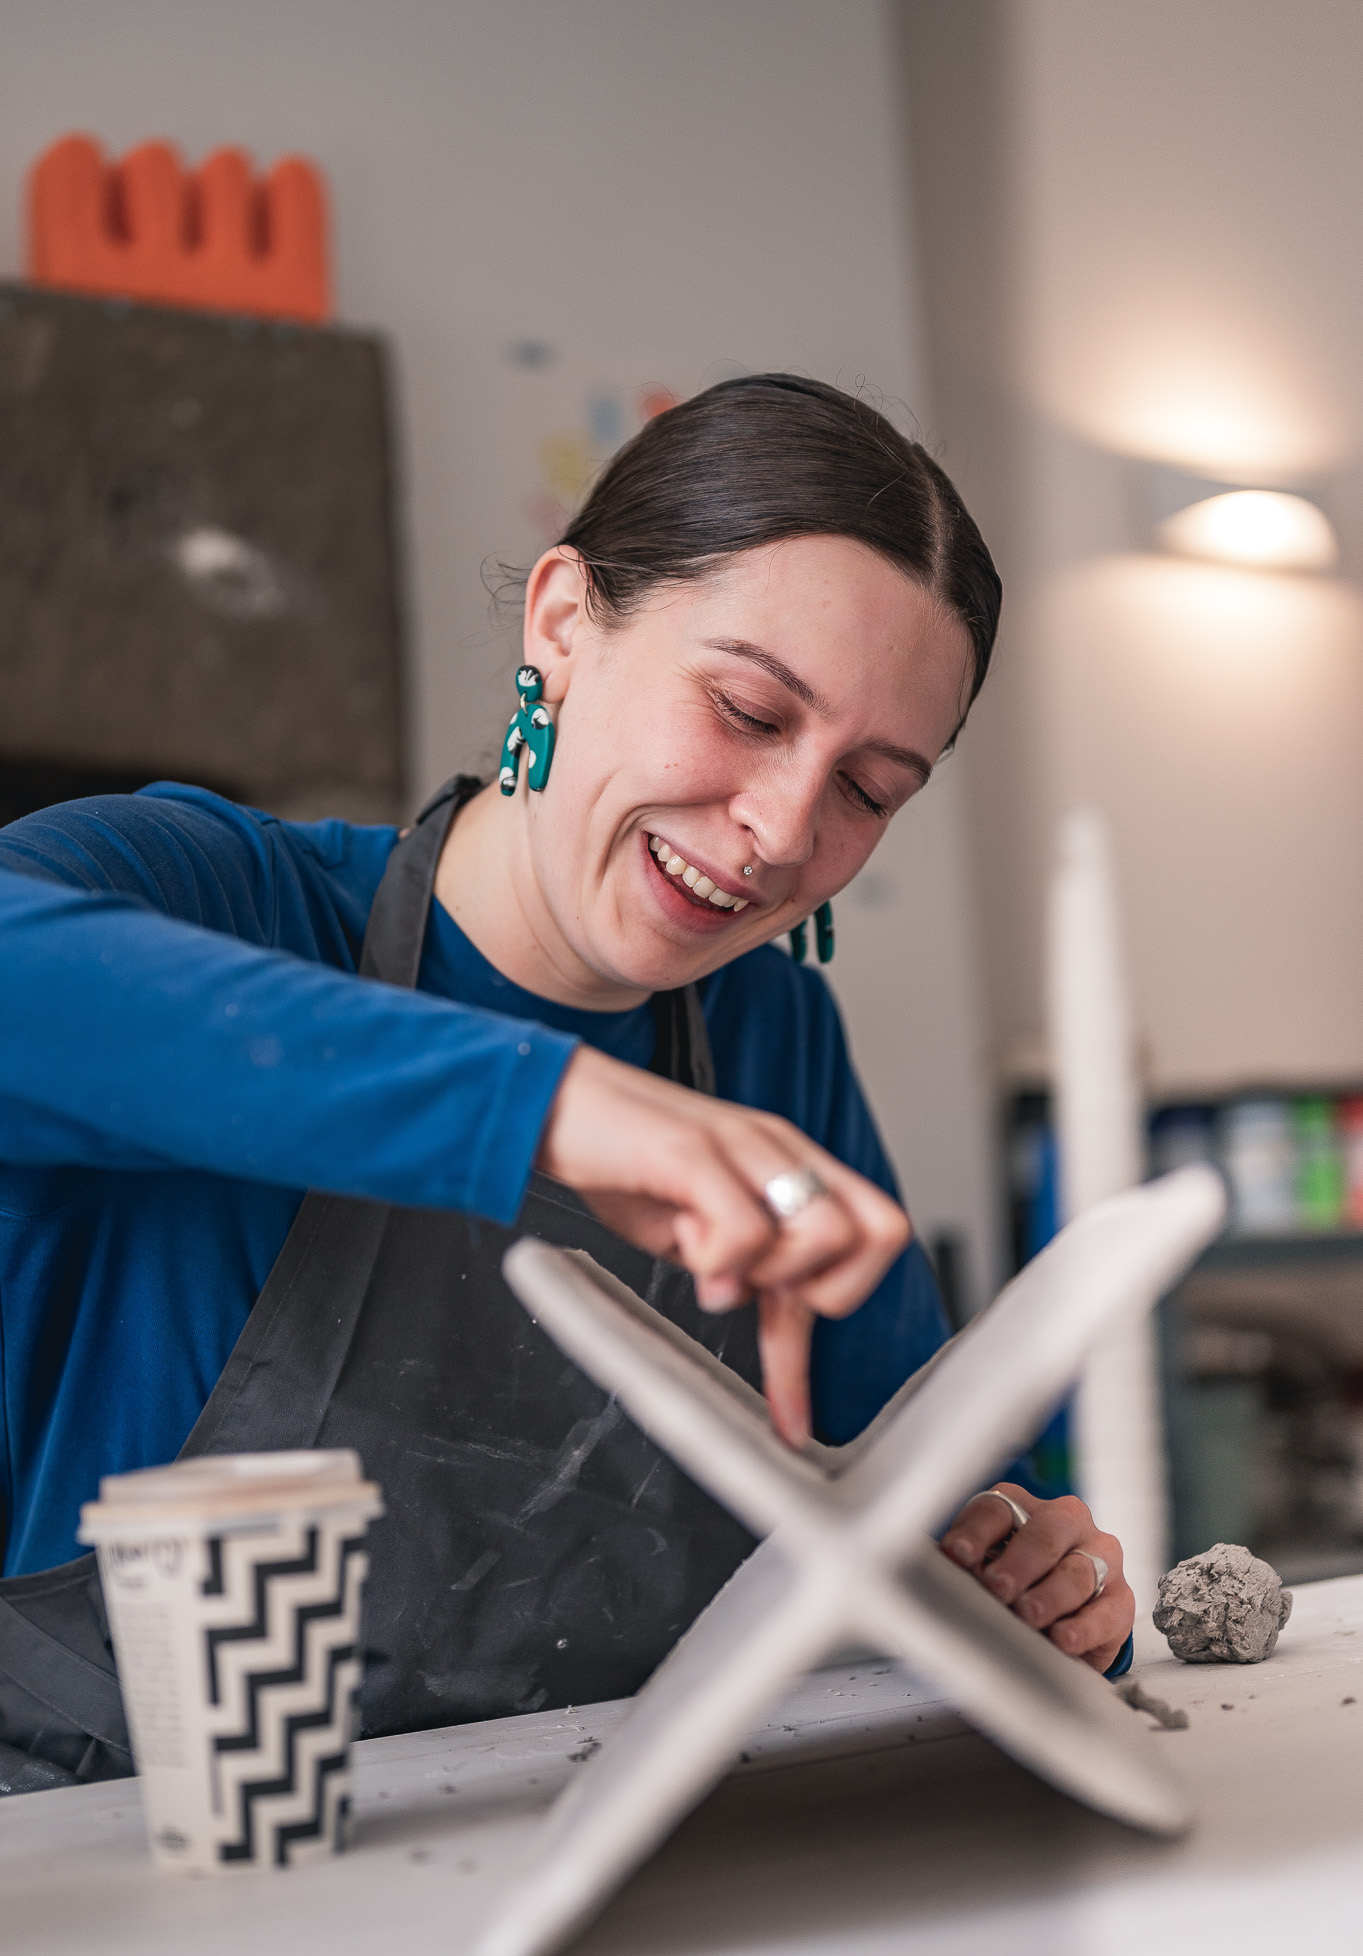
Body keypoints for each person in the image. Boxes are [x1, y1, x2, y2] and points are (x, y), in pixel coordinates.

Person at [0, 374, 1132, 1790]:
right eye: (746, 708)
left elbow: (913, 1499)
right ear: (561, 624)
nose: (782, 829)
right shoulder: (218, 902)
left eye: (867, 789)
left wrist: (1025, 1570)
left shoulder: (770, 1043)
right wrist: (549, 1108)